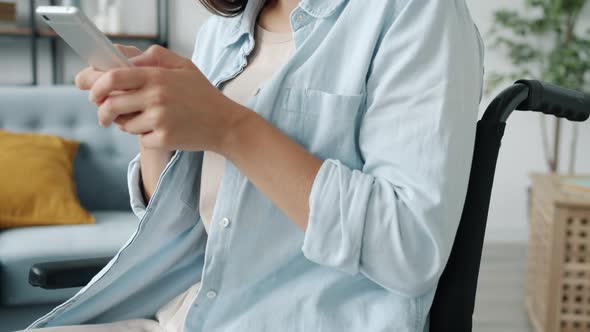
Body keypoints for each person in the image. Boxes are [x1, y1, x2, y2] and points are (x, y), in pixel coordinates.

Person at [24, 0, 485, 331]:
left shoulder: (415, 13)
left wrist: (231, 128)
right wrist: (154, 127)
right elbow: (181, 227)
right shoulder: (222, 34)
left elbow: (409, 248)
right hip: (184, 314)